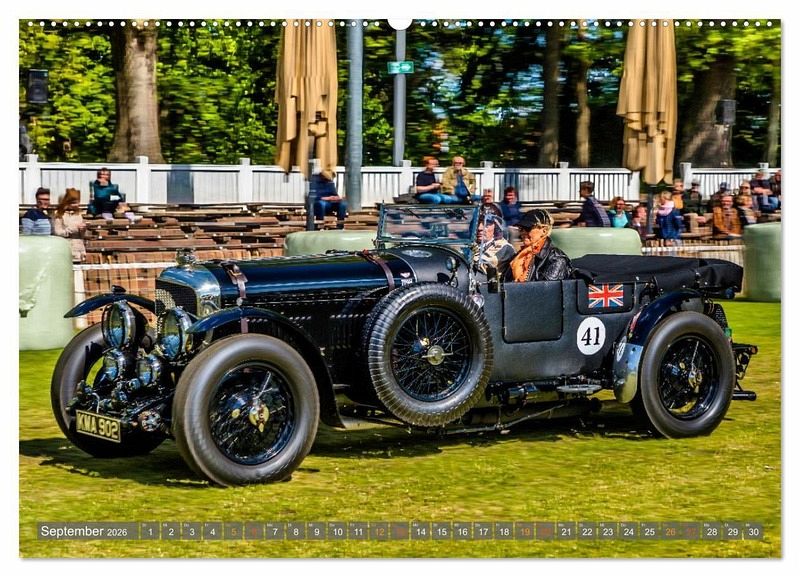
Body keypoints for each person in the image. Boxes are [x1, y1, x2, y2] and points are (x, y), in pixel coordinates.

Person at [507, 209, 572, 282]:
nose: (523, 232)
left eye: (528, 228)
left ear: (544, 231)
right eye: (521, 229)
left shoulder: (556, 259)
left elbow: (547, 288)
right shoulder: (518, 256)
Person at [474, 213, 515, 279]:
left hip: (490, 283)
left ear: (496, 228)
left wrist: (474, 253)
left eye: (486, 225)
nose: (479, 228)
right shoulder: (472, 245)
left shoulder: (505, 247)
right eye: (477, 224)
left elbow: (484, 268)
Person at [53, 187, 87, 262]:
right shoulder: (59, 214)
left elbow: (82, 236)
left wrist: (83, 230)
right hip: (66, 250)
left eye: (77, 202)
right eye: (73, 203)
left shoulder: (79, 214)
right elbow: (57, 232)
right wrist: (73, 229)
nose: (76, 205)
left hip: (79, 250)